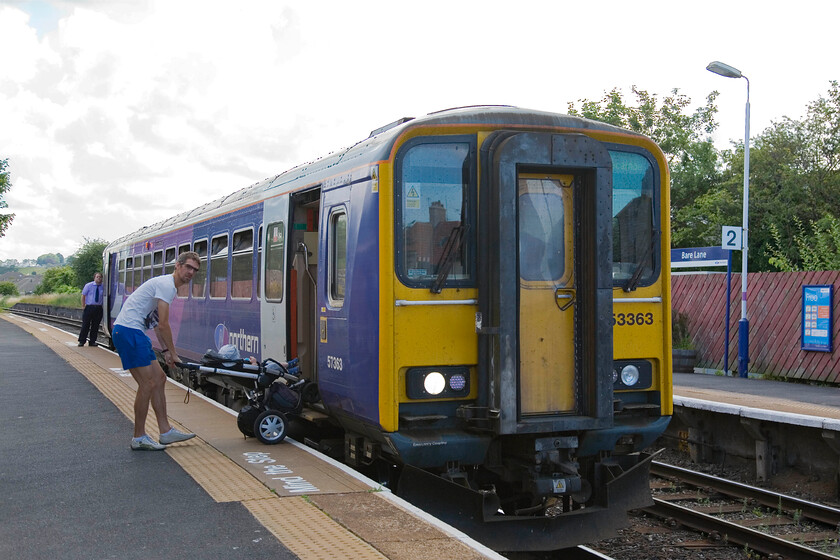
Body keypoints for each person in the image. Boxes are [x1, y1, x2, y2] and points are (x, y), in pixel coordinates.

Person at [112, 251, 200, 451]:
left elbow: (152, 322)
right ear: (177, 266)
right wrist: (174, 353)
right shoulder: (167, 285)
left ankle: (165, 431)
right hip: (128, 331)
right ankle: (139, 436)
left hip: (135, 331)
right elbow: (163, 324)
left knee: (159, 378)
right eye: (188, 267)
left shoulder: (168, 287)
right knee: (147, 384)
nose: (190, 272)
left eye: (194, 270)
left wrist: (167, 351)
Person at [78, 272, 104, 346]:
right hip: (89, 307)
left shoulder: (104, 286)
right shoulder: (88, 285)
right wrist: (83, 306)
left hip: (98, 308)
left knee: (95, 326)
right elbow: (83, 295)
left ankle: (92, 341)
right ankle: (82, 341)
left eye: (100, 277)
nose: (99, 279)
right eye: (97, 277)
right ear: (94, 278)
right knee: (85, 324)